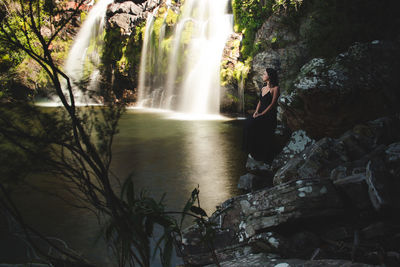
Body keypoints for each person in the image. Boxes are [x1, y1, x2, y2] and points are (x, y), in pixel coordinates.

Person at [243, 67, 280, 162]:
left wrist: (262, 114)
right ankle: (250, 149)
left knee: (252, 124)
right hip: (260, 113)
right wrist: (256, 112)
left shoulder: (275, 88)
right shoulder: (263, 88)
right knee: (248, 123)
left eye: (264, 74)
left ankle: (258, 152)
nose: (263, 75)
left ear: (270, 76)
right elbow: (260, 101)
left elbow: (272, 104)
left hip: (269, 115)